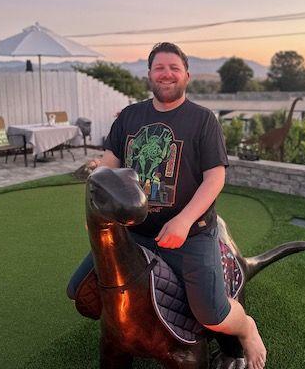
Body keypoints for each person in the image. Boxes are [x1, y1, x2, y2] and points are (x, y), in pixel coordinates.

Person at [88, 42, 266, 369]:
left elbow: (215, 178)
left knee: (211, 314)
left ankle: (246, 328)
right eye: (159, 68)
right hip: (135, 233)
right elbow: (111, 163)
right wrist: (98, 170)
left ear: (187, 75)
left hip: (190, 234)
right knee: (80, 291)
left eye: (174, 68)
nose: (166, 74)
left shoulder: (202, 120)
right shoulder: (129, 116)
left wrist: (183, 221)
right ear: (149, 75)